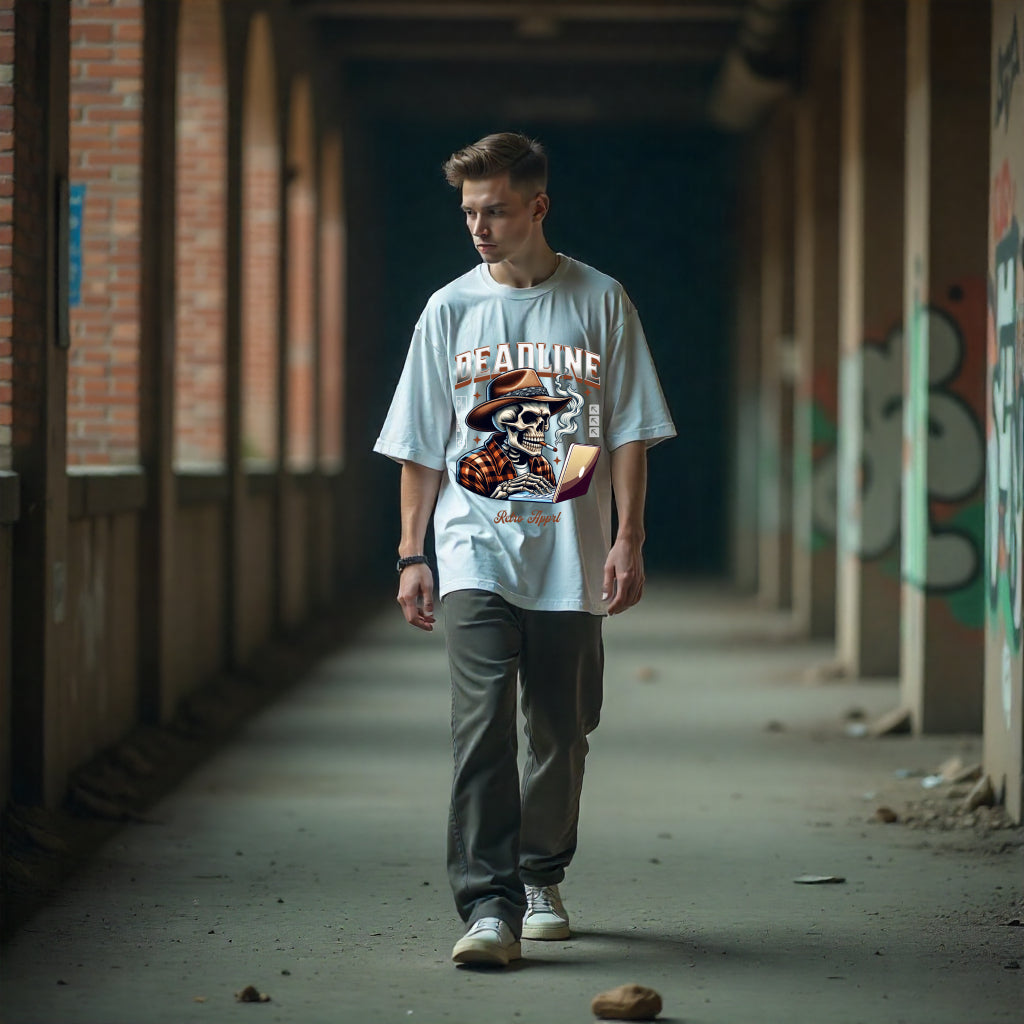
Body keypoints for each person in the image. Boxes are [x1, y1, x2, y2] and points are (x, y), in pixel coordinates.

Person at [373, 132, 675, 967]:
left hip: (570, 558)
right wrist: (413, 552)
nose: (479, 226)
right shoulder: (450, 310)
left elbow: (627, 434)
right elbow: (421, 443)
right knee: (480, 730)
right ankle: (488, 908)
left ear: (537, 207)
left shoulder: (600, 300)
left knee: (562, 728)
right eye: (469, 211)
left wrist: (628, 539)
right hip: (473, 547)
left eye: (496, 210)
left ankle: (542, 874)